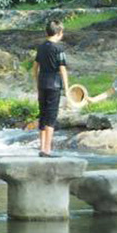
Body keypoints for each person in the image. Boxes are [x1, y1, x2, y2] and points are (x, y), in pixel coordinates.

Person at [34, 20, 69, 158]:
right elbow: (62, 69)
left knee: (43, 115)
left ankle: (42, 148)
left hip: (42, 83)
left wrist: (37, 82)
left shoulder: (41, 47)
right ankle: (47, 150)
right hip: (54, 85)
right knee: (51, 117)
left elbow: (35, 68)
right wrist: (67, 88)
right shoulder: (58, 49)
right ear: (59, 33)